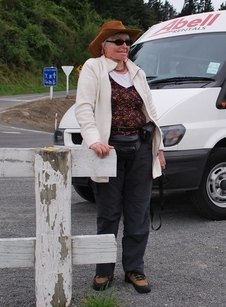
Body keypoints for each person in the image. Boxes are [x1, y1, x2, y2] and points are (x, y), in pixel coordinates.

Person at [75, 20, 166, 294]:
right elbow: (84, 109)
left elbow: (150, 111)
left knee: (138, 212)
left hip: (140, 148)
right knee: (108, 214)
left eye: (127, 42)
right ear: (105, 47)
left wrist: (159, 149)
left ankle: (134, 269)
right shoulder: (93, 68)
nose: (125, 46)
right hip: (109, 150)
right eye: (119, 41)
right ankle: (104, 271)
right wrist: (94, 141)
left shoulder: (137, 72)